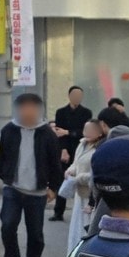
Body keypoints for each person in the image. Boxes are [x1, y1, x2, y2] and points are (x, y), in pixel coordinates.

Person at [0, 92, 64, 257]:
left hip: (38, 191)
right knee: (7, 226)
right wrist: (6, 177)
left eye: (32, 108)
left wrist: (54, 188)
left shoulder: (47, 134)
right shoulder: (9, 130)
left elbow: (55, 163)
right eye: (24, 107)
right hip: (13, 188)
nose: (28, 112)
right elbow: (3, 157)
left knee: (35, 234)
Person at [51, 86, 92, 221]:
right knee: (64, 180)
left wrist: (68, 132)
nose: (77, 98)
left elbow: (85, 132)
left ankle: (84, 210)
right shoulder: (61, 112)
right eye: (75, 95)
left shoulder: (86, 113)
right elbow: (59, 133)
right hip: (65, 149)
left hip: (81, 149)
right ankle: (58, 212)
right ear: (69, 96)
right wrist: (63, 150)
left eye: (80, 95)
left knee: (82, 180)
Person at [64, 119, 105, 250]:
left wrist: (78, 177)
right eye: (85, 129)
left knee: (87, 228)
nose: (87, 133)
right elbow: (76, 163)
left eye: (91, 130)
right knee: (76, 229)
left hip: (91, 196)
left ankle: (84, 254)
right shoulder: (82, 144)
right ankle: (73, 255)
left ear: (99, 133)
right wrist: (70, 170)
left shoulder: (100, 148)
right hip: (79, 193)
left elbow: (95, 174)